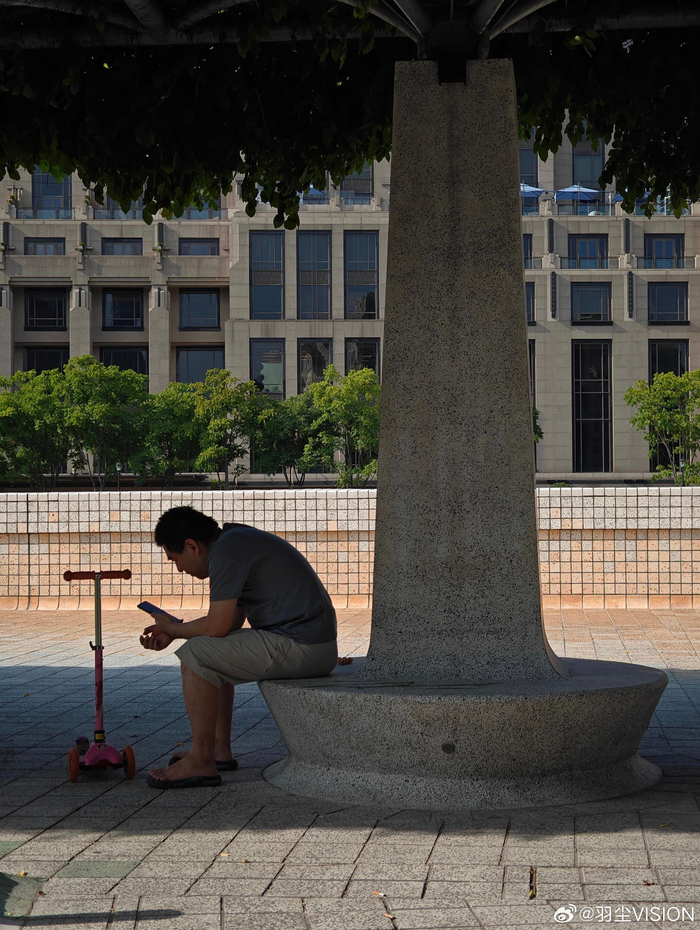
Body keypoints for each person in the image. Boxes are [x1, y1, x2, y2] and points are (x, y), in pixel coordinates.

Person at [141, 506, 338, 788]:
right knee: (210, 648)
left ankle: (201, 760)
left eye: (175, 559)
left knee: (196, 653)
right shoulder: (234, 541)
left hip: (303, 645)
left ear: (192, 546)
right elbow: (229, 622)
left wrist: (173, 630)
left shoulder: (225, 553)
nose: (179, 569)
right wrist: (176, 631)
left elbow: (217, 625)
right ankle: (217, 750)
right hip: (312, 644)